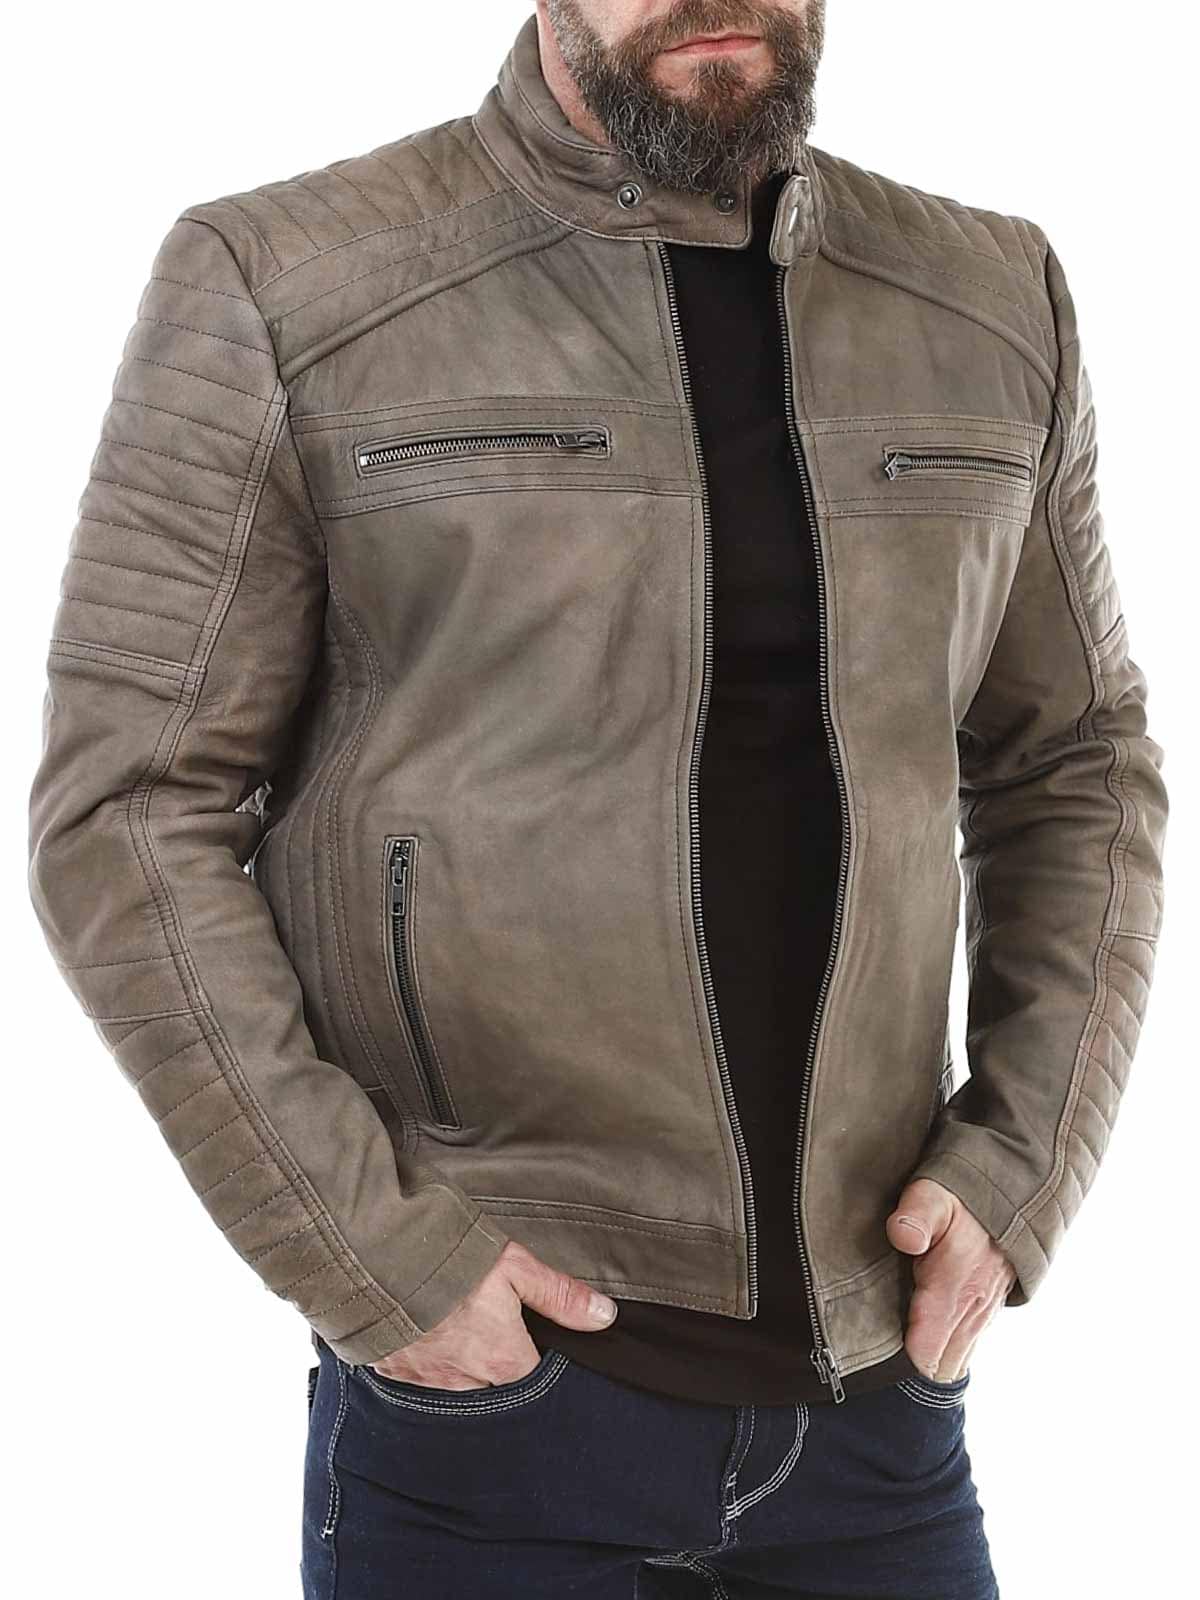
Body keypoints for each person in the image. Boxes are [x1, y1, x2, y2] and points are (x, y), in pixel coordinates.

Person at [28, 3, 1168, 1596]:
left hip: (879, 1399)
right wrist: (374, 1254)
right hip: (493, 1408)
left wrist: (1020, 1171)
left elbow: (1079, 763)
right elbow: (130, 807)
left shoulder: (985, 294)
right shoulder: (291, 280)